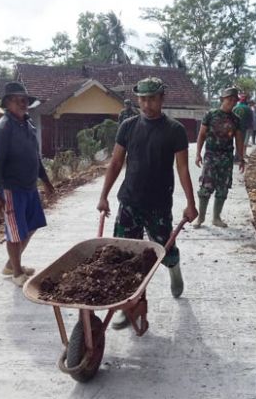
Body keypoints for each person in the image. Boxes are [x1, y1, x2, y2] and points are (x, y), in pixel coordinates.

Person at [97, 77, 198, 328]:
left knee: (163, 249)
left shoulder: (174, 130)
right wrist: (103, 196)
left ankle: (173, 267)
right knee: (124, 256)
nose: (147, 103)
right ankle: (129, 305)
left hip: (158, 204)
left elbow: (183, 168)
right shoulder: (128, 126)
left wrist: (190, 202)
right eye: (142, 98)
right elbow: (116, 163)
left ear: (162, 98)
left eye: (152, 98)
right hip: (129, 201)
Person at [0, 82, 55, 287]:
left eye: (24, 100)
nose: (22, 103)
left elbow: (35, 158)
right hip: (11, 189)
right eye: (17, 100)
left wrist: (46, 181)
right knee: (15, 232)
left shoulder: (28, 125)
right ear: (7, 103)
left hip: (29, 187)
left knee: (32, 226)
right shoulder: (2, 129)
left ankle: (11, 263)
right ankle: (17, 272)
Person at [193, 87, 245, 228]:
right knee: (206, 187)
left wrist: (241, 157)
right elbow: (202, 135)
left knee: (223, 188)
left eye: (234, 100)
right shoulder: (211, 115)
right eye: (229, 99)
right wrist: (198, 154)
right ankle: (201, 218)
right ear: (222, 99)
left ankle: (216, 218)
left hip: (227, 158)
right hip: (211, 156)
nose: (232, 102)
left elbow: (239, 139)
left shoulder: (236, 120)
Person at [233, 94, 253, 162]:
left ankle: (236, 157)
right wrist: (250, 126)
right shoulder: (248, 109)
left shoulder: (235, 107)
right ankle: (238, 157)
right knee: (240, 143)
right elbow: (250, 119)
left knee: (235, 142)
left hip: (233, 128)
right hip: (242, 128)